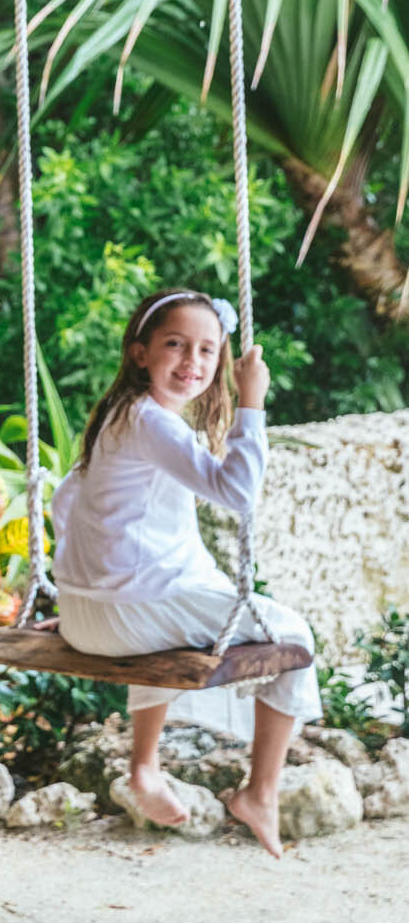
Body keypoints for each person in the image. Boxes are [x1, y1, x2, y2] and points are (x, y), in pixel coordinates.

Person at [51, 287, 319, 859]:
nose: (192, 363)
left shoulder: (115, 417)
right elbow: (237, 492)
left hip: (84, 617)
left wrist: (74, 590)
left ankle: (145, 768)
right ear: (140, 352)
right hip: (122, 614)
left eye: (206, 350)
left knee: (173, 612)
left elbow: (65, 501)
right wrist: (253, 402)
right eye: (176, 345)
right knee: (295, 636)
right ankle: (260, 793)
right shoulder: (154, 422)